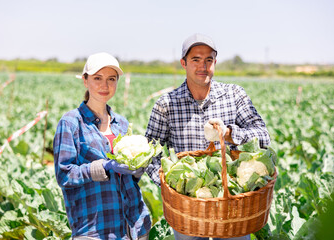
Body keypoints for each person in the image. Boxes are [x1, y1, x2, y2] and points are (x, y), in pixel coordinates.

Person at [145, 33, 271, 240]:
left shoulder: (234, 95)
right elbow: (150, 151)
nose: (203, 66)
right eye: (196, 59)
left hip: (232, 205)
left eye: (209, 60)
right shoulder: (166, 104)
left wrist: (230, 134)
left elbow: (263, 136)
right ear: (183, 63)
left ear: (215, 63)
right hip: (187, 210)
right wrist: (171, 187)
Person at [53, 52, 151, 240]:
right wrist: (102, 166)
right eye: (97, 78)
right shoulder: (71, 123)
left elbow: (129, 180)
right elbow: (64, 175)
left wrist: (137, 168)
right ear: (85, 80)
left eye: (111, 79)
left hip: (135, 225)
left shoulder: (121, 123)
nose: (104, 85)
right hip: (95, 229)